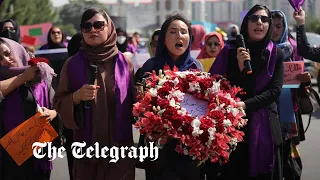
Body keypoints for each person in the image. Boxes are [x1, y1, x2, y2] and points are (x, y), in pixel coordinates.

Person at [53, 8, 136, 180]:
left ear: (109, 27)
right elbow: (59, 102)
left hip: (119, 151)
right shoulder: (72, 64)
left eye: (98, 25)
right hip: (86, 153)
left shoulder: (125, 63)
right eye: (87, 26)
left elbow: (135, 104)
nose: (92, 30)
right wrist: (76, 97)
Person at [208, 5, 284, 180]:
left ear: (269, 25)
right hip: (233, 126)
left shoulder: (276, 54)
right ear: (246, 23)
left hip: (266, 127)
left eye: (264, 19)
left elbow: (274, 91)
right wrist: (240, 69)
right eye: (254, 18)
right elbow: (214, 85)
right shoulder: (230, 51)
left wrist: (245, 105)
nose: (259, 23)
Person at [136, 13, 203, 180]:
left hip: (190, 150)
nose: (179, 36)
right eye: (173, 32)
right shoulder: (150, 67)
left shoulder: (196, 67)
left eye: (183, 31)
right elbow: (139, 109)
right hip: (160, 150)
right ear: (164, 39)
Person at [0, 37, 60, 180]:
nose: (6, 60)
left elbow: (58, 104)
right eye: (0, 58)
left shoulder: (40, 74)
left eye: (8, 53)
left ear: (17, 50)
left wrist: (52, 113)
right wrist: (22, 77)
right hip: (9, 156)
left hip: (38, 150)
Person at [271, 10, 310, 180]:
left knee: (286, 153)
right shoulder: (260, 48)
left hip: (289, 110)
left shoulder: (292, 47)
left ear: (284, 27)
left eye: (279, 26)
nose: (274, 30)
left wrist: (304, 80)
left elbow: (299, 76)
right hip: (266, 110)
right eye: (271, 26)